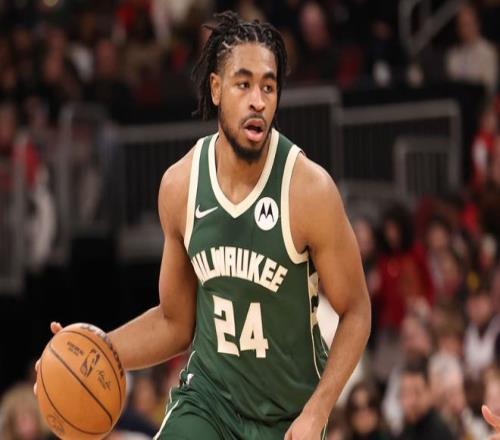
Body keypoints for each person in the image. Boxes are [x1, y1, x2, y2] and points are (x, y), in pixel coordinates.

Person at [35, 11, 371, 440]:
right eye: (243, 84)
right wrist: (93, 352)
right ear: (215, 89)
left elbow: (356, 311)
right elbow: (175, 322)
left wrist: (318, 410)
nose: (258, 100)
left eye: (268, 87)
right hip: (208, 403)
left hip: (288, 415)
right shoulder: (181, 186)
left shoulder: (308, 190)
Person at [397, 360, 454, 440]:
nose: (411, 401)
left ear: (429, 392)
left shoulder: (440, 432)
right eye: (405, 393)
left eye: (417, 393)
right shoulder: (404, 429)